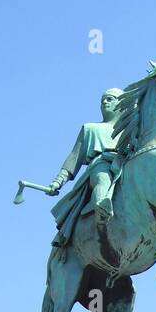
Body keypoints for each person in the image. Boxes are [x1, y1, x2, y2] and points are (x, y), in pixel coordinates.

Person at [48, 88, 125, 240]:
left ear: (120, 103)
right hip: (101, 164)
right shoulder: (90, 128)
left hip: (125, 164)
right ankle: (102, 211)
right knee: (103, 179)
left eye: (110, 99)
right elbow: (73, 159)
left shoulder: (128, 131)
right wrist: (58, 182)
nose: (104, 102)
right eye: (103, 99)